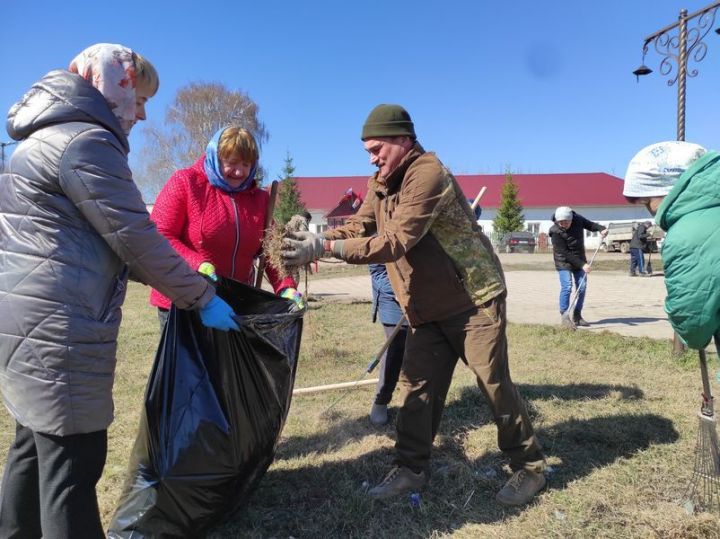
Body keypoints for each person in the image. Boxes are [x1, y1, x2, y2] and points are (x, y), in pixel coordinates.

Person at [0, 43, 239, 539]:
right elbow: (137, 239)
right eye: (142, 97)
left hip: (27, 323)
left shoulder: (40, 139)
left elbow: (94, 243)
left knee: (33, 446)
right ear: (116, 83)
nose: (146, 113)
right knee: (73, 463)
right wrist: (201, 297)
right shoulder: (86, 142)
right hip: (61, 329)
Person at [282, 104, 546, 505]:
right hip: (425, 305)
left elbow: (396, 240)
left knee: (493, 384)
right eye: (368, 152)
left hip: (473, 299)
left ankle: (529, 468)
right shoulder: (381, 181)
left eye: (377, 148)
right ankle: (410, 470)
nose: (371, 158)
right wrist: (316, 235)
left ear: (403, 139)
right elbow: (361, 225)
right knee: (415, 389)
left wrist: (326, 247)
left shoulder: (428, 174)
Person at [149, 126, 302, 327]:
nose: (239, 171)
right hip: (183, 302)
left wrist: (285, 287)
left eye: (246, 164)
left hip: (233, 305)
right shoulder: (186, 183)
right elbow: (159, 236)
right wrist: (196, 264)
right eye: (232, 163)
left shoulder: (260, 200)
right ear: (215, 158)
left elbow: (270, 251)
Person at [623, 140, 719, 349]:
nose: (651, 212)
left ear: (670, 187)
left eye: (647, 202)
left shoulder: (689, 234)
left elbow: (693, 324)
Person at [548, 206, 607, 327]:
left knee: (582, 287)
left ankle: (577, 316)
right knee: (567, 286)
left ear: (571, 219)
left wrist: (601, 229)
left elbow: (590, 225)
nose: (563, 224)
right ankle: (564, 315)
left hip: (579, 258)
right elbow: (565, 252)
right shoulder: (555, 231)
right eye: (560, 222)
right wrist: (583, 265)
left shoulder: (578, 219)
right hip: (563, 261)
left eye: (566, 222)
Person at [368, 263, 408, 426]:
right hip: (393, 301)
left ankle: (417, 401)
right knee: (395, 351)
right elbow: (378, 273)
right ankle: (381, 400)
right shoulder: (376, 237)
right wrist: (400, 290)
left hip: (424, 296)